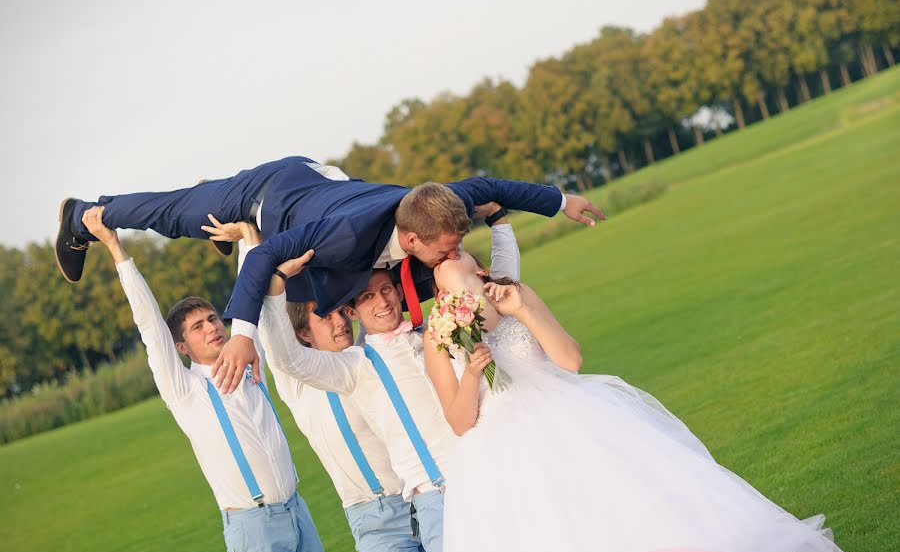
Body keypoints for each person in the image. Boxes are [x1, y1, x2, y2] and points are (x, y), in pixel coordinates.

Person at [424, 252, 844, 552]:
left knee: (628, 508)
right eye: (443, 286)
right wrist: (472, 374)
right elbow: (460, 422)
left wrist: (523, 312)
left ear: (479, 272)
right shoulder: (440, 333)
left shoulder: (517, 294)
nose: (451, 288)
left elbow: (570, 360)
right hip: (504, 449)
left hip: (569, 416)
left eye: (457, 269)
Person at [53, 156, 604, 388]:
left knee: (300, 273)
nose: (452, 255)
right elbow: (268, 259)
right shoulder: (344, 236)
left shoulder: (437, 205)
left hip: (326, 196)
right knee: (179, 214)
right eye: (442, 251)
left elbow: (486, 186)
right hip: (275, 193)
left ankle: (219, 218)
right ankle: (81, 214)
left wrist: (561, 200)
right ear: (410, 239)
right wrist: (241, 335)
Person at [253, 215, 523, 552]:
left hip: (482, 477)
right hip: (434, 501)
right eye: (367, 297)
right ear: (352, 311)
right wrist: (275, 289)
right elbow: (288, 360)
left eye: (385, 289)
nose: (382, 301)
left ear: (398, 290)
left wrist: (499, 222)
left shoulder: (441, 330)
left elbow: (495, 292)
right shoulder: (356, 366)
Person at [81, 206, 327, 552]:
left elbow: (253, 290)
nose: (212, 327)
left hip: (298, 512)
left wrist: (247, 236)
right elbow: (149, 324)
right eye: (197, 327)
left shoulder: (247, 356)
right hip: (253, 529)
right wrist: (116, 248)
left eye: (213, 318)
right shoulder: (185, 390)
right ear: (182, 348)